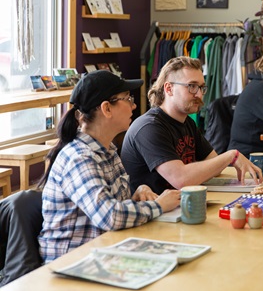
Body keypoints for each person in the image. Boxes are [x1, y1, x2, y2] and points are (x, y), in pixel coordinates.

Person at [38, 70, 180, 263]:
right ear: (107, 109)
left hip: (104, 252)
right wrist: (159, 206)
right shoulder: (79, 158)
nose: (134, 105)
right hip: (72, 263)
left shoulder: (108, 150)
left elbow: (113, 202)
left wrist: (138, 192)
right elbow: (110, 216)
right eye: (128, 99)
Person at [120, 56, 262, 194]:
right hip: (155, 213)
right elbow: (181, 179)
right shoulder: (149, 127)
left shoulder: (187, 122)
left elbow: (214, 165)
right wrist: (231, 155)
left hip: (180, 206)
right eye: (192, 86)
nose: (199, 95)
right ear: (169, 89)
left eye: (201, 87)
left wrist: (225, 160)